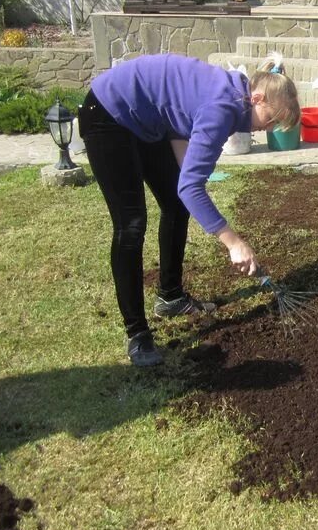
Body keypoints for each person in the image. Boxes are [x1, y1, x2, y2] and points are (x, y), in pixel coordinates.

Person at [78, 52, 301, 367]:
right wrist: (234, 243)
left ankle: (170, 297)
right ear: (257, 98)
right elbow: (191, 187)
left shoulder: (231, 95)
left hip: (145, 119)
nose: (269, 129)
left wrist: (189, 178)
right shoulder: (223, 107)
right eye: (272, 120)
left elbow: (179, 124)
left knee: (174, 202)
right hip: (108, 112)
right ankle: (137, 333)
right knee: (131, 224)